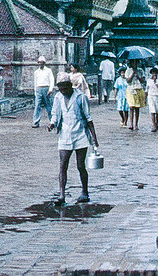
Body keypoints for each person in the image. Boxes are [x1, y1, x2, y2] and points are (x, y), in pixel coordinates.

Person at [49, 77, 100, 205]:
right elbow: (55, 113)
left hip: (80, 134)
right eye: (61, 90)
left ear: (70, 86)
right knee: (62, 165)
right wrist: (52, 123)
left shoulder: (80, 97)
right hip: (65, 135)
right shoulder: (58, 98)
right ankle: (62, 195)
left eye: (65, 89)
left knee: (80, 165)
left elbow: (88, 118)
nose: (63, 92)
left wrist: (94, 137)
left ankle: (85, 192)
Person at [31, 56, 55, 128]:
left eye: (42, 63)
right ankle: (36, 122)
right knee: (37, 105)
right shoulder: (36, 72)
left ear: (44, 63)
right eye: (39, 63)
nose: (40, 64)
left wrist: (50, 89)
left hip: (46, 88)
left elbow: (52, 80)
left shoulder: (48, 71)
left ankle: (52, 121)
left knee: (49, 105)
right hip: (39, 88)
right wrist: (35, 91)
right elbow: (35, 82)